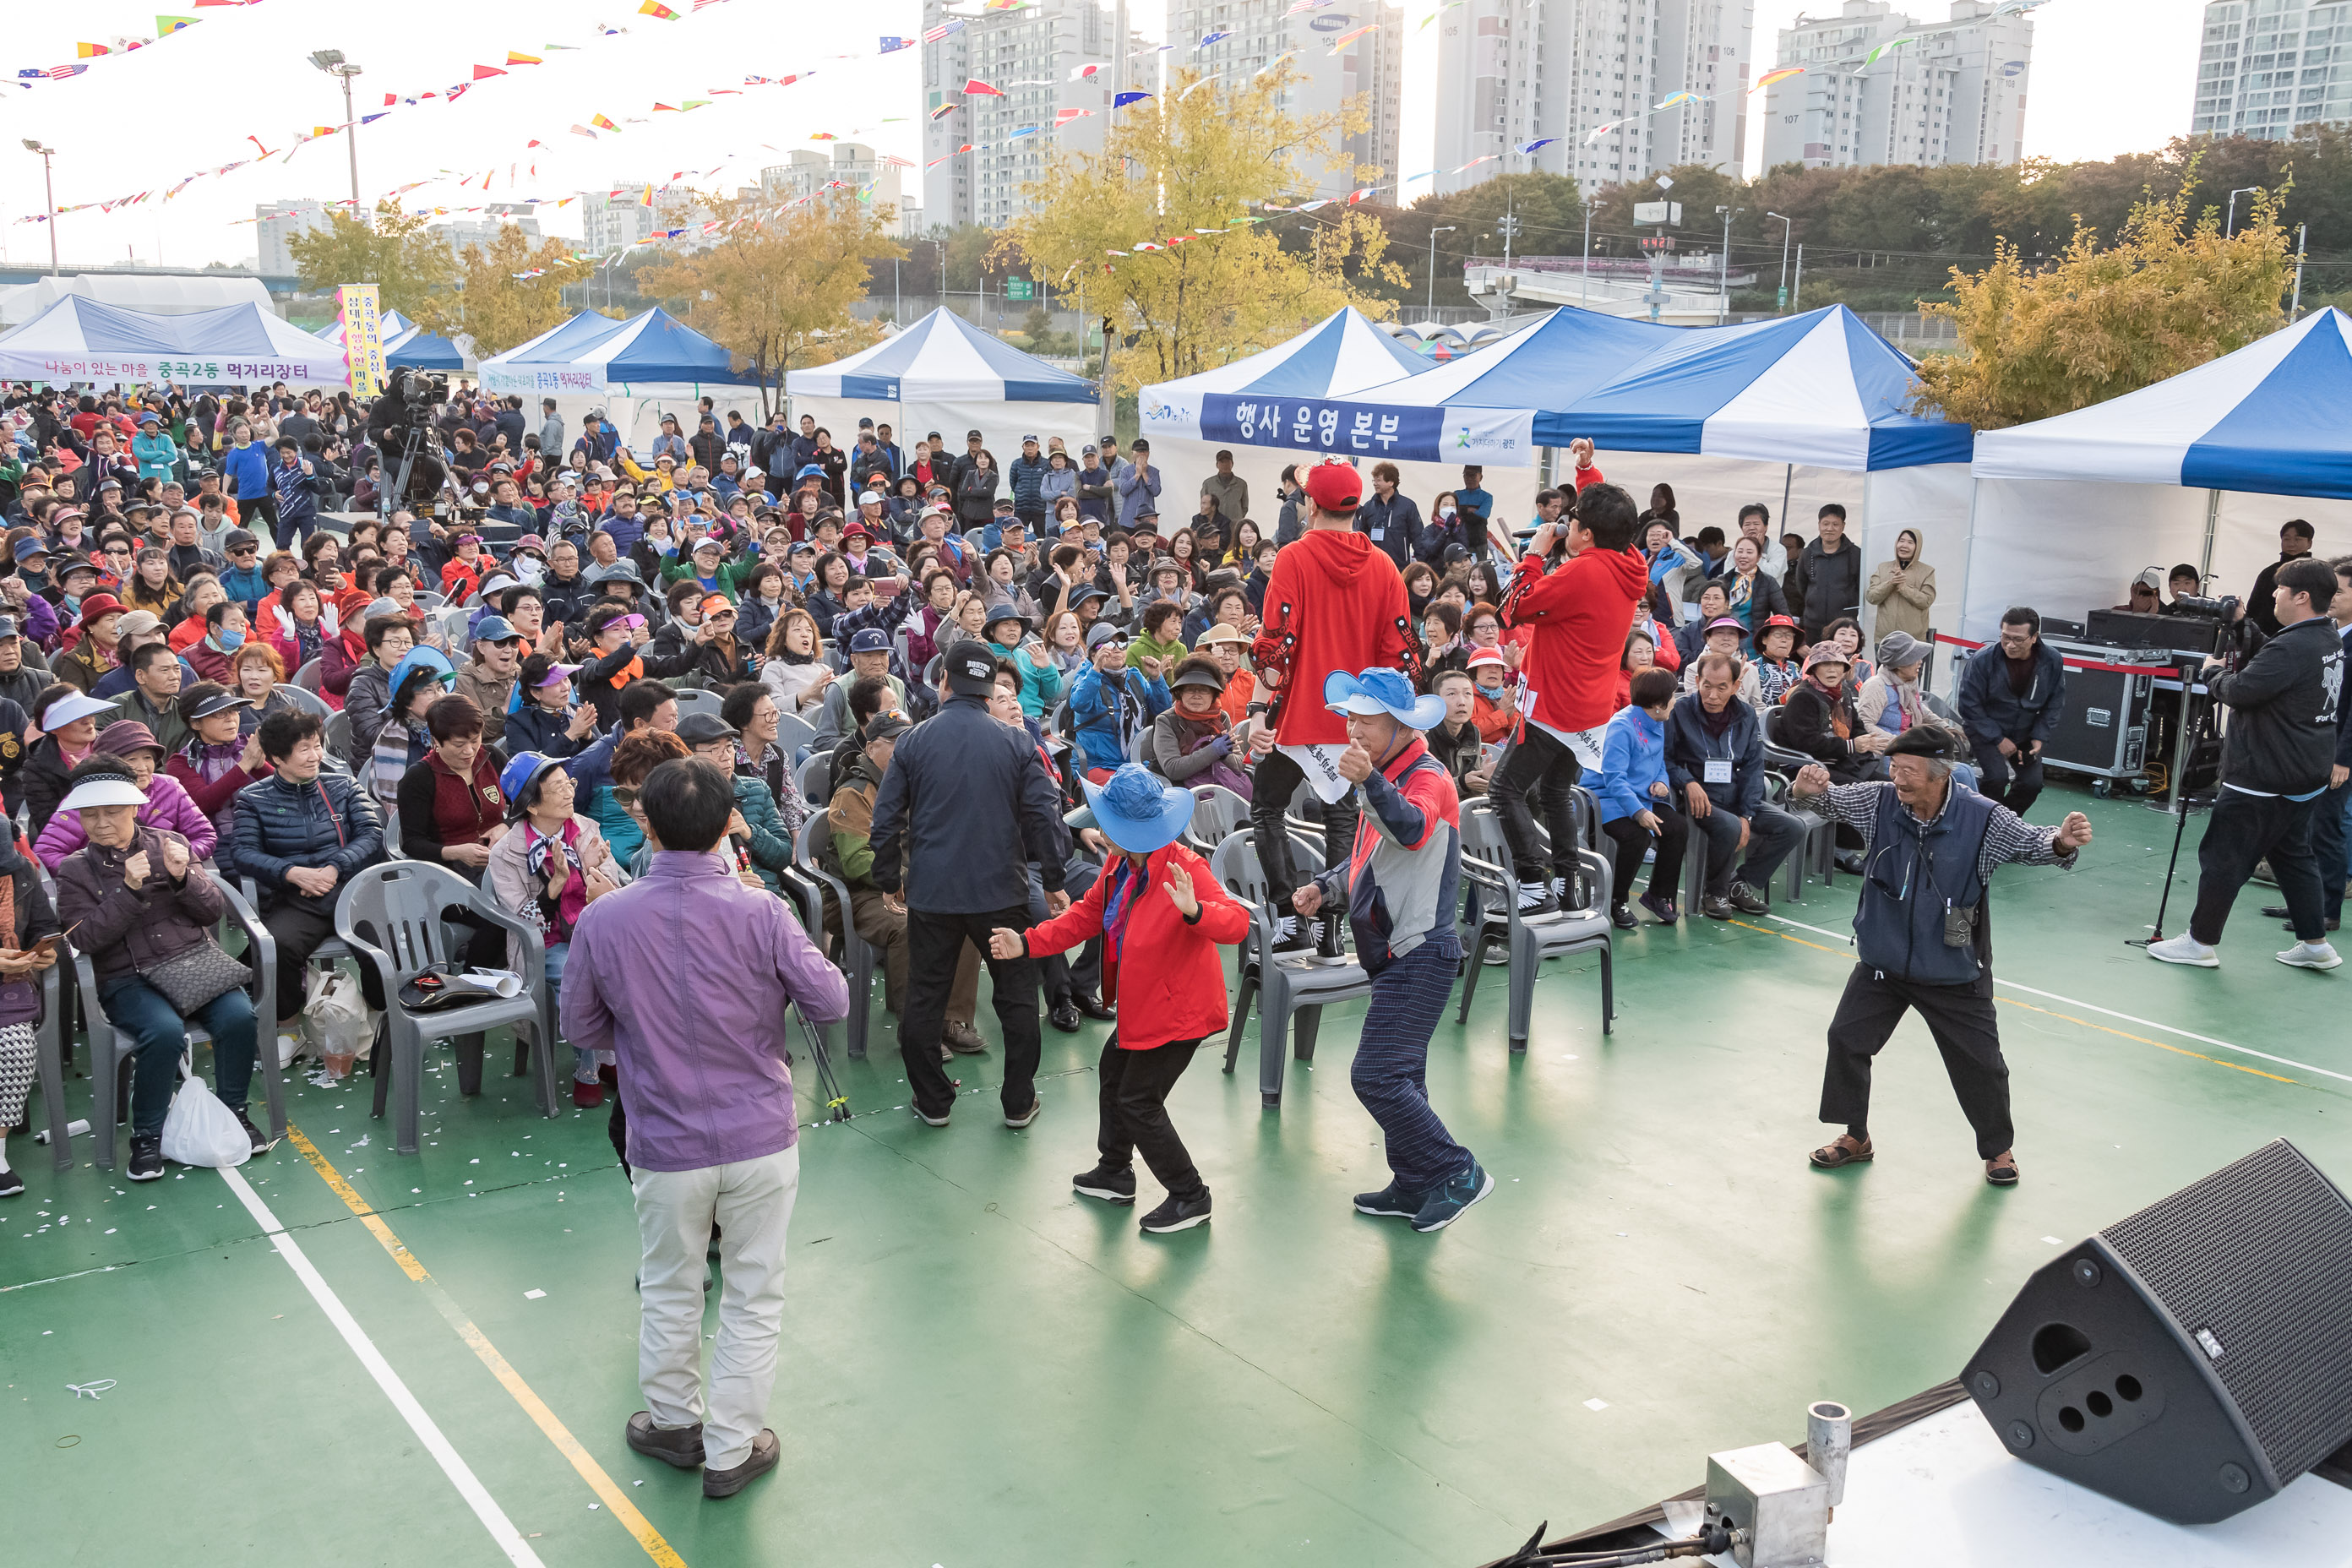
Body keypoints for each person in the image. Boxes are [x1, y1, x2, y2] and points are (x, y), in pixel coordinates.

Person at [561, 757, 848, 1500]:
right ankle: (731, 1447)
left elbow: (583, 1025)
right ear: (729, 826)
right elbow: (832, 1002)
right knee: (754, 1291)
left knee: (669, 1285)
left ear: (646, 828)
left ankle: (671, 1423)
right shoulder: (761, 912)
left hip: (664, 1140)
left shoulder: (603, 917)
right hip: (759, 1135)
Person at [1794, 729, 2093, 1187]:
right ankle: (1855, 1136)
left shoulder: (1983, 818)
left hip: (1954, 970)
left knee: (1982, 1064)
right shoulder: (1880, 802)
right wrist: (1807, 790)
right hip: (1883, 962)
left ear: (1941, 774)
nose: (1898, 779)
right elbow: (1832, 801)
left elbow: (2033, 842)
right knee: (1847, 1040)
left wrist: (2063, 842)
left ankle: (1998, 1150)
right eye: (1894, 769)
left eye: (1909, 772)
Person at [990, 764, 1245, 1234]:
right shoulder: (1120, 865)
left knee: (1139, 1101)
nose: (1097, 830)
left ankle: (1191, 1195)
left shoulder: (1183, 868)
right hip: (1141, 1009)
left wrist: (1195, 911)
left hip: (1179, 1014)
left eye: (1105, 824)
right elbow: (1084, 919)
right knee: (1113, 1073)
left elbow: (1236, 924)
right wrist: (1026, 942)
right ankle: (1115, 1172)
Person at [1288, 667, 1490, 1233]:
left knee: (1376, 1076)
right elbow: (1373, 861)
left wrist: (1371, 782)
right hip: (1399, 955)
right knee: (1405, 1076)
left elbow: (1411, 830)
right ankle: (1413, 1182)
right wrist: (1326, 887)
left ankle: (1457, 1172)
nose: (1352, 729)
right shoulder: (1387, 776)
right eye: (1349, 717)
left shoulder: (1427, 779)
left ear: (1400, 725)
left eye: (1365, 719)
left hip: (1421, 952)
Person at [868, 640, 1071, 1130]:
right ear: (988, 691)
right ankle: (1019, 1102)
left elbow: (886, 818)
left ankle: (933, 1101)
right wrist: (1056, 877)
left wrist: (888, 878)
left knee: (926, 995)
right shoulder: (1018, 742)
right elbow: (1044, 814)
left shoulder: (913, 741)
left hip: (933, 893)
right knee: (1016, 996)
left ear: (943, 683)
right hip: (1001, 893)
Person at [54, 758, 269, 1181]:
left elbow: (211, 910)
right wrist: (129, 891)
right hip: (127, 979)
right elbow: (85, 939)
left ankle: (233, 1113)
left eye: (111, 812)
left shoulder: (167, 843)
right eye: (89, 815)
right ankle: (147, 1136)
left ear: (133, 809)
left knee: (239, 1016)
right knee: (164, 1032)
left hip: (191, 963)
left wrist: (182, 878)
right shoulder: (75, 870)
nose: (100, 824)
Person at [1244, 461, 1415, 950]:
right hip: (1356, 721)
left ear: (1310, 505)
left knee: (1267, 809)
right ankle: (1329, 927)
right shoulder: (1384, 565)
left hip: (1299, 713)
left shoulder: (1294, 558)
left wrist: (1260, 708)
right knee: (1342, 818)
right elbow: (1399, 655)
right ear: (1357, 507)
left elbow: (1274, 645)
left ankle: (1288, 917)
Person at [2147, 556, 2345, 972]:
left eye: (2280, 589)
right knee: (2294, 855)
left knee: (2223, 857)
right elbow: (2273, 666)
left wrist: (2212, 673)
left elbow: (2241, 690)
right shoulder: (2326, 637)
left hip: (2263, 774)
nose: (2274, 595)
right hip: (2304, 771)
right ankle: (2314, 943)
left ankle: (2199, 943)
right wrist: (2242, 624)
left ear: (2302, 596)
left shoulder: (2294, 646)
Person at [1494, 470, 1647, 913]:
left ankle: (1533, 885)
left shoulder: (1585, 570)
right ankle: (1567, 883)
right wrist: (1588, 475)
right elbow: (1608, 520)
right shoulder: (1630, 561)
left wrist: (1534, 555)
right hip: (1589, 704)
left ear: (1585, 534)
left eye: (1572, 520)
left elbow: (1513, 608)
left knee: (1506, 789)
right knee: (1556, 792)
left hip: (1555, 703)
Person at [231, 708, 386, 1043]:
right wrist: (291, 872)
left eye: (317, 745)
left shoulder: (342, 785)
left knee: (379, 939)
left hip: (347, 890)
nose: (316, 756)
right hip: (296, 899)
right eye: (304, 749)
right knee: (278, 945)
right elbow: (243, 853)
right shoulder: (253, 799)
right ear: (277, 758)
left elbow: (372, 835)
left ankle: (381, 1017)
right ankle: (287, 1028)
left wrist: (335, 867)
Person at [487, 753, 629, 1108]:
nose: (569, 793)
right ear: (531, 805)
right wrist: (557, 885)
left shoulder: (585, 829)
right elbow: (524, 918)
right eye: (558, 788)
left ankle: (610, 1059)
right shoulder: (506, 853)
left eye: (570, 783)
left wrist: (593, 870)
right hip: (545, 943)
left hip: (593, 931)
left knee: (623, 968)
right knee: (576, 974)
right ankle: (589, 1069)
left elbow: (614, 893)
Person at [1663, 651, 1811, 919]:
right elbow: (1665, 759)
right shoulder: (1681, 711)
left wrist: (1747, 813)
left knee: (1792, 826)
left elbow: (1754, 767)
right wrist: (1687, 782)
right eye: (1707, 685)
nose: (1712, 695)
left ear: (1735, 686)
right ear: (1697, 681)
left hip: (1735, 795)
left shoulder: (1745, 714)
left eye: (1722, 687)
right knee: (1730, 825)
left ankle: (1739, 884)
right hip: (1699, 798)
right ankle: (1714, 892)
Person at [35, 719, 215, 869]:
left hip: (166, 879)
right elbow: (46, 853)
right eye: (131, 760)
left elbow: (204, 836)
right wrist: (95, 870)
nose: (142, 767)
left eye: (148, 758)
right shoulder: (86, 797)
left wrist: (174, 857)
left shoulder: (169, 787)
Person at [1592, 667, 1688, 928]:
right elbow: (1613, 779)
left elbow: (1658, 764)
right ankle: (1616, 901)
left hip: (1642, 796)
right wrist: (1639, 812)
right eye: (1672, 695)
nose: (1675, 699)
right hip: (1607, 801)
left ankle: (1659, 895)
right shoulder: (1622, 727)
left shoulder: (1657, 721)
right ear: (1658, 704)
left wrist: (1662, 782)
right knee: (1637, 836)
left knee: (1677, 827)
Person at [0, 814, 62, 1198]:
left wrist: (43, 951)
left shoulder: (20, 872)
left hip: (9, 986)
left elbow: (43, 923)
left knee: (16, 1050)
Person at [1956, 607, 2065, 816]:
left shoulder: (2052, 660)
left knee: (2032, 784)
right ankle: (1982, 823)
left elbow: (2055, 702)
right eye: (2005, 637)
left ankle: (2004, 823)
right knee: (1996, 779)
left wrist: (2040, 736)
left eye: (2018, 639)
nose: (2010, 645)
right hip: (1986, 728)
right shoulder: (1983, 659)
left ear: (2034, 637)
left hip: (2025, 730)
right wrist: (1997, 739)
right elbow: (1969, 705)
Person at [1781, 644, 1895, 785]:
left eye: (1838, 664)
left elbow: (1856, 726)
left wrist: (1865, 741)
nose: (1832, 670)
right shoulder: (1803, 697)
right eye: (1825, 664)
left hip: (1843, 763)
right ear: (1814, 668)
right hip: (1810, 767)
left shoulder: (1844, 691)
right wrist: (1852, 746)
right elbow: (1807, 743)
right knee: (1867, 793)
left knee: (1893, 787)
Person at [1794, 504, 1863, 643]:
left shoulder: (1855, 554)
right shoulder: (1807, 553)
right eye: (1825, 524)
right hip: (1812, 624)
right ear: (1819, 524)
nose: (1830, 529)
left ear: (1843, 526)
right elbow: (1801, 585)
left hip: (1843, 626)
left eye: (1835, 524)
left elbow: (1860, 587)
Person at [2246, 519, 2318, 638]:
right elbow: (2253, 607)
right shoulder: (2269, 572)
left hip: (2302, 635)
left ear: (2309, 543)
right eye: (2286, 539)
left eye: (2298, 539)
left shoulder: (2316, 572)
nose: (2291, 544)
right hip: (2264, 635)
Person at [1865, 527, 1937, 641]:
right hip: (1884, 639)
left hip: (1913, 640)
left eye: (1910, 542)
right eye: (1901, 541)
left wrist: (1903, 587)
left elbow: (1926, 601)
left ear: (1917, 547)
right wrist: (1891, 583)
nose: (1904, 546)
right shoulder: (1883, 568)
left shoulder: (1927, 571)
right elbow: (1871, 597)